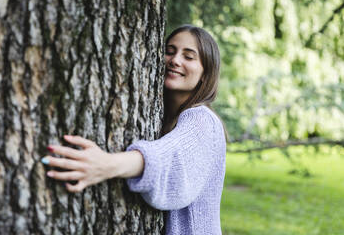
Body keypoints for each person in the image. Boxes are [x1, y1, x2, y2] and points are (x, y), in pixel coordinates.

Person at [41, 24, 227, 235]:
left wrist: (106, 164)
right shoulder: (163, 118)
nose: (175, 60)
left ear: (205, 73)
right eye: (170, 51)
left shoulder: (202, 120)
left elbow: (171, 159)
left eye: (189, 57)